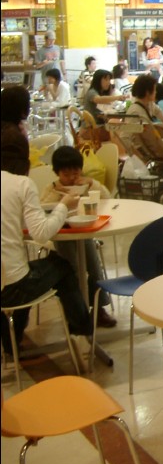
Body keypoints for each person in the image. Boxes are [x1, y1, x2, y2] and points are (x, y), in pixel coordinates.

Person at [0, 126, 94, 354]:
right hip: (12, 286)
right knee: (61, 266)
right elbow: (42, 232)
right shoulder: (21, 184)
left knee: (24, 273)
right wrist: (64, 206)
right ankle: (83, 334)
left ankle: (11, 343)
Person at [39, 146, 116, 328]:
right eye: (66, 174)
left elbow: (107, 198)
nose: (72, 178)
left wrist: (91, 184)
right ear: (57, 173)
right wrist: (59, 193)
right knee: (72, 268)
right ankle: (77, 312)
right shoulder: (51, 189)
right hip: (61, 233)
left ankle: (98, 309)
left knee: (94, 266)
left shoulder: (85, 185)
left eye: (76, 172)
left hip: (83, 231)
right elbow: (43, 208)